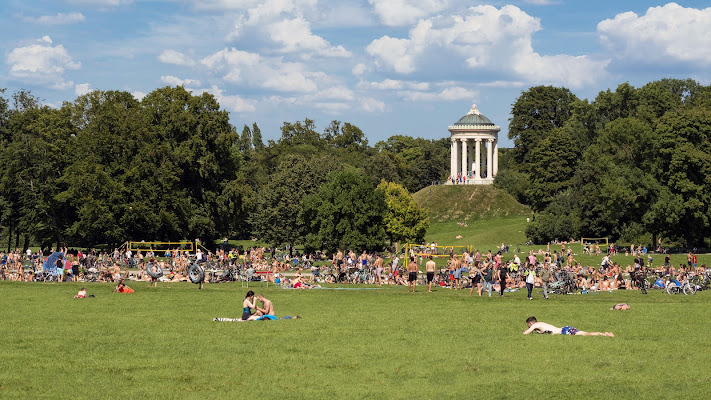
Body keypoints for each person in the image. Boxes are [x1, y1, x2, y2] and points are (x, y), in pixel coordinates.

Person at [523, 316, 614, 337]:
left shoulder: (535, 325)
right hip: (564, 329)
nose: (529, 327)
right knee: (584, 333)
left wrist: (523, 333)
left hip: (564, 331)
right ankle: (604, 334)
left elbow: (526, 333)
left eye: (528, 326)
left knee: (585, 334)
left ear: (531, 323)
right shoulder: (540, 324)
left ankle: (605, 335)